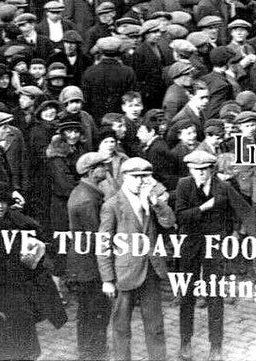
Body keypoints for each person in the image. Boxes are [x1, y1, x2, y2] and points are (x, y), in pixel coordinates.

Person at [99, 156, 175, 361]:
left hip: (150, 271)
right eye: (136, 177)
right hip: (124, 274)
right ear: (124, 177)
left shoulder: (150, 200)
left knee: (155, 326)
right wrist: (107, 279)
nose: (141, 181)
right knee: (121, 328)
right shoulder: (112, 205)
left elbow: (169, 223)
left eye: (145, 176)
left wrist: (155, 202)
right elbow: (104, 245)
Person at [174, 148, 236, 361]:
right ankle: (185, 342)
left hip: (214, 246)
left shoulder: (223, 187)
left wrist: (224, 238)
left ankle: (216, 346)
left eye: (204, 169)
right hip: (190, 245)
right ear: (190, 170)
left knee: (214, 295)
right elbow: (181, 216)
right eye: (195, 170)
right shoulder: (184, 185)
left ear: (212, 169)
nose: (200, 173)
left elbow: (231, 216)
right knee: (187, 294)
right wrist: (203, 208)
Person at [66, 151, 112, 360]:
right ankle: (93, 351)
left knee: (88, 309)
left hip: (83, 263)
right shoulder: (88, 200)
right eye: (103, 166)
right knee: (95, 309)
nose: (107, 168)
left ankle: (89, 349)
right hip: (90, 265)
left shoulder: (85, 192)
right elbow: (98, 236)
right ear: (92, 172)